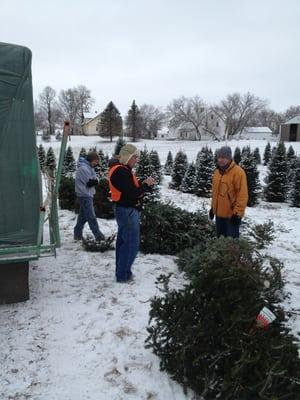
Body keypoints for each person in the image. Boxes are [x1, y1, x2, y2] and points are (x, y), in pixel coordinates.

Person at [108, 144, 154, 283]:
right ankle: (123, 274)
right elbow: (133, 193)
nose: (136, 160)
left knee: (123, 243)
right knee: (131, 244)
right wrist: (146, 185)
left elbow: (128, 189)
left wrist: (142, 183)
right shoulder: (120, 171)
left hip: (125, 209)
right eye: (135, 157)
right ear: (127, 156)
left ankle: (122, 272)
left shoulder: (122, 170)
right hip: (127, 211)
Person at [209, 146, 248, 238]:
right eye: (219, 157)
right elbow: (215, 193)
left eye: (224, 157)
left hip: (231, 215)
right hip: (219, 215)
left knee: (231, 244)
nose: (221, 160)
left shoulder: (238, 172)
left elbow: (242, 195)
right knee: (220, 241)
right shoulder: (217, 172)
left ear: (229, 158)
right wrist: (213, 208)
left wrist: (237, 214)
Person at [74, 151, 105, 241]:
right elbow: (90, 182)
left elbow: (95, 179)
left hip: (88, 194)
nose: (97, 163)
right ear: (92, 160)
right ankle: (99, 236)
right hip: (84, 195)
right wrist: (95, 180)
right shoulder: (84, 169)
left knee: (83, 217)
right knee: (91, 216)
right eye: (96, 161)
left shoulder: (89, 168)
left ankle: (77, 234)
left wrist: (95, 180)